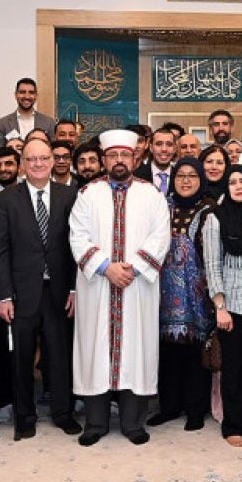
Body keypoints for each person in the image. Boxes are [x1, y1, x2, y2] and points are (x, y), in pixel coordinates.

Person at [68, 130, 172, 446]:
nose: (119, 161)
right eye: (112, 156)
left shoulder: (151, 194)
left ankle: (132, 423)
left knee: (136, 351)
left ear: (135, 158)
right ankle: (96, 424)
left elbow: (160, 236)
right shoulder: (88, 193)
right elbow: (77, 235)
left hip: (137, 286)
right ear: (104, 160)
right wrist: (106, 268)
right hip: (98, 286)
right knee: (95, 352)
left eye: (124, 155)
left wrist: (133, 269)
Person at [0, 135, 78, 439]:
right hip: (20, 293)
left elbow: (76, 247)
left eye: (44, 158)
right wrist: (2, 295)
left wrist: (74, 288)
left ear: (53, 161)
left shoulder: (70, 195)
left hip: (59, 292)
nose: (38, 164)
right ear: (21, 165)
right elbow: (0, 251)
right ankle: (24, 417)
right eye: (31, 159)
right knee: (22, 358)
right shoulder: (6, 198)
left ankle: (63, 413)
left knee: (60, 355)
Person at [149, 160, 216, 430]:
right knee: (166, 352)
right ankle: (169, 406)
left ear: (201, 179)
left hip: (196, 296)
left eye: (192, 176)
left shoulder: (210, 209)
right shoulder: (162, 206)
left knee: (194, 353)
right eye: (181, 176)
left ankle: (195, 410)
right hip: (163, 293)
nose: (186, 181)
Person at [202, 164, 242, 446]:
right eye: (233, 182)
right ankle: (234, 424)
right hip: (233, 303)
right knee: (235, 366)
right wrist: (220, 306)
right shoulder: (216, 218)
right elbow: (212, 265)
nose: (239, 186)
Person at [0, 77, 56, 142]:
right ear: (16, 95)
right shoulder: (2, 123)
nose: (27, 96)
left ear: (36, 96)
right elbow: (1, 150)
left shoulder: (49, 123)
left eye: (31, 92)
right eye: (22, 92)